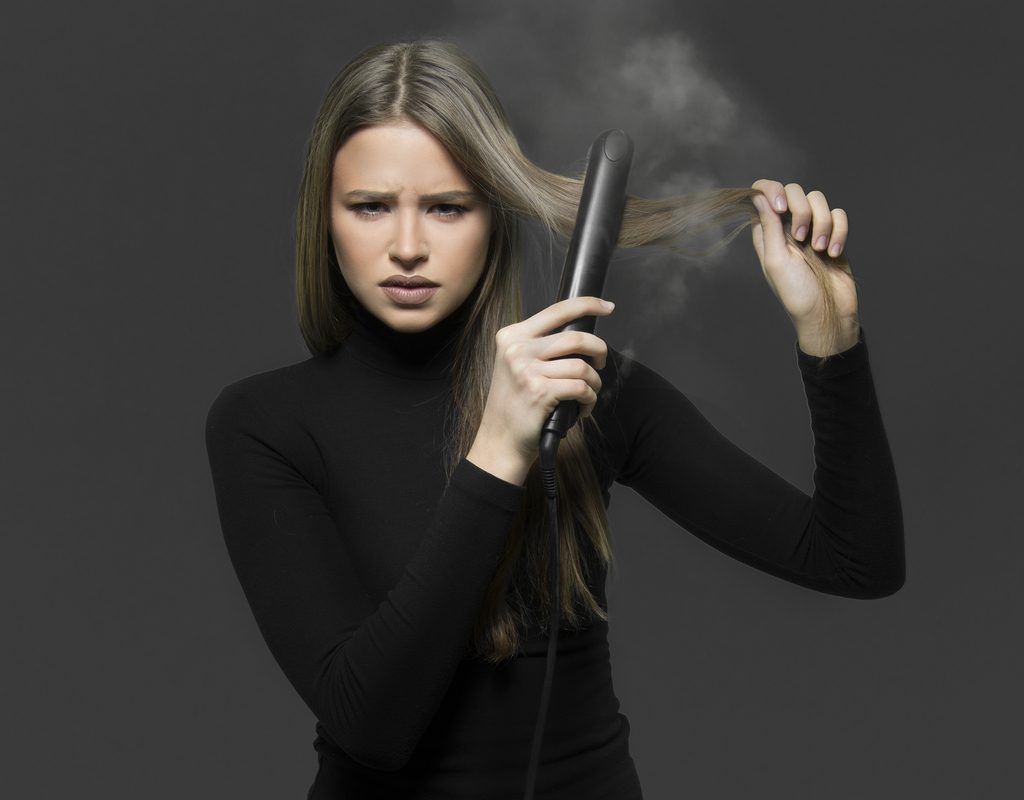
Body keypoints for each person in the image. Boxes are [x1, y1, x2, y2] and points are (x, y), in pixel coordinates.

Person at [204, 39, 904, 800]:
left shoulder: (588, 391)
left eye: (446, 207)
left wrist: (831, 339)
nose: (407, 247)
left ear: (494, 215)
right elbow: (371, 725)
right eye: (370, 206)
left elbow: (854, 563)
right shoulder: (264, 424)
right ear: (325, 219)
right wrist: (498, 451)